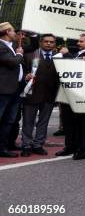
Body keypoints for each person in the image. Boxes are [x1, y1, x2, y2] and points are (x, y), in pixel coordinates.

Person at [20, 34, 60, 157]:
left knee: (43, 122)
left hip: (49, 95)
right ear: (40, 42)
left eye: (52, 42)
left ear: (55, 44)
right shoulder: (30, 55)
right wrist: (26, 76)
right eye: (46, 41)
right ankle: (26, 145)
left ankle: (38, 145)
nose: (49, 44)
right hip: (32, 94)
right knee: (28, 122)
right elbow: (21, 72)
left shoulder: (59, 58)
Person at [0, 22, 25, 158]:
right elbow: (13, 62)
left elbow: (31, 46)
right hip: (3, 90)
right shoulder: (1, 46)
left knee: (10, 120)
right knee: (3, 118)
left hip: (15, 89)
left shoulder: (12, 46)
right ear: (7, 32)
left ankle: (4, 146)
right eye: (13, 31)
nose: (15, 33)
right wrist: (19, 54)